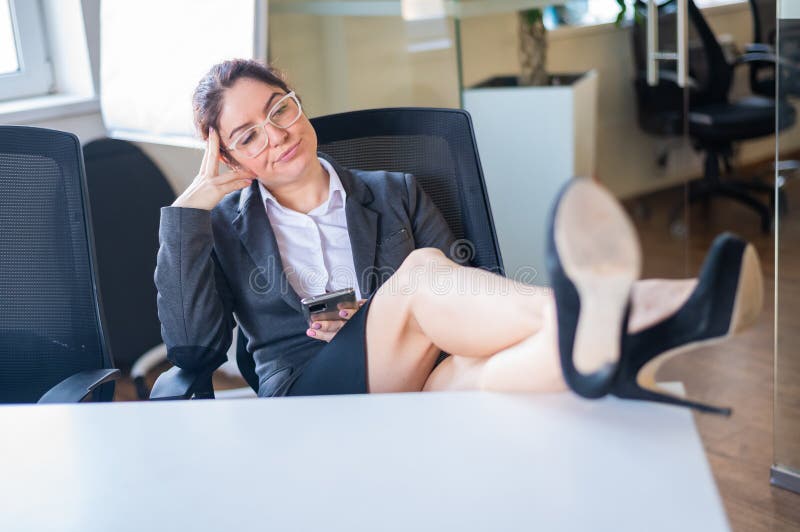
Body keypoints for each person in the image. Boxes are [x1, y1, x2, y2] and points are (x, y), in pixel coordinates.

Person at [155, 59, 762, 413]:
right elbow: (192, 354)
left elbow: (470, 299)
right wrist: (194, 203)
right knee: (418, 272)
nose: (276, 135)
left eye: (278, 110)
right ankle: (648, 302)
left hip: (422, 379)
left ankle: (660, 325)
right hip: (311, 400)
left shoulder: (395, 190)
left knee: (491, 367)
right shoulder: (223, 229)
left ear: (298, 104)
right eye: (247, 135)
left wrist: (377, 316)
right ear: (226, 156)